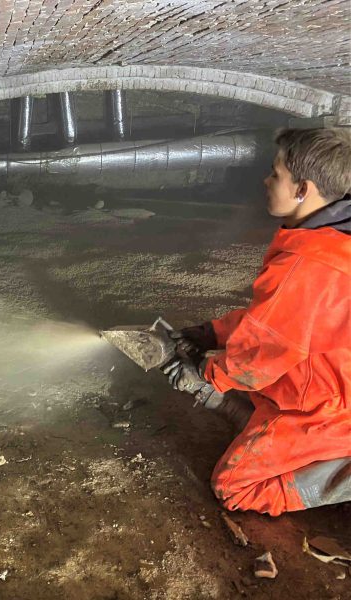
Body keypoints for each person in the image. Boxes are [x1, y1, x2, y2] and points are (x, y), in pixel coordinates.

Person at [163, 128, 351, 516]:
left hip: (330, 408)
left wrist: (205, 375)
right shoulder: (330, 237)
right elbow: (278, 319)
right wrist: (211, 333)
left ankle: (340, 475)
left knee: (234, 488)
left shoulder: (306, 264)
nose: (266, 181)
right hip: (334, 374)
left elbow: (260, 357)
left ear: (304, 189)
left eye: (275, 173)